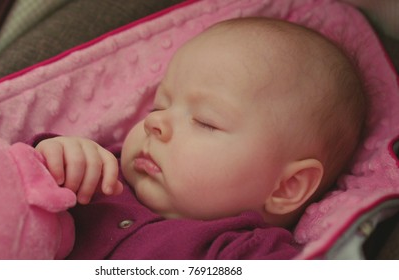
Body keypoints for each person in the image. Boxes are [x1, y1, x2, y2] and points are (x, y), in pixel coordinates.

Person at [34, 17, 367, 259]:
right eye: (158, 106)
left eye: (206, 122)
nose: (156, 124)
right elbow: (12, 188)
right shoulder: (103, 175)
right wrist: (59, 157)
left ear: (286, 187)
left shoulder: (241, 254)